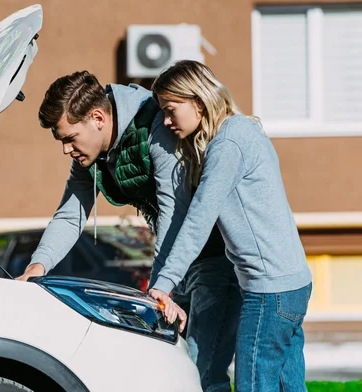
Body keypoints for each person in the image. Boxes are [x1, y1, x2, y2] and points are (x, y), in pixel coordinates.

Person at [16, 70, 241, 392]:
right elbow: (70, 214)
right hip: (178, 263)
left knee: (202, 373)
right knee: (174, 371)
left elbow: (173, 211)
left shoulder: (153, 127)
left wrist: (163, 284)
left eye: (69, 138)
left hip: (214, 255)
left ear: (97, 118)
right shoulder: (90, 155)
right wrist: (36, 269)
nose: (66, 149)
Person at [147, 60, 313, 391]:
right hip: (292, 285)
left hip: (268, 292)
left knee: (254, 383)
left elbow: (197, 222)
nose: (165, 121)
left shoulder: (228, 145)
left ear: (197, 100)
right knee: (287, 386)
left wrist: (163, 283)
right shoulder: (243, 130)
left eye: (170, 109)